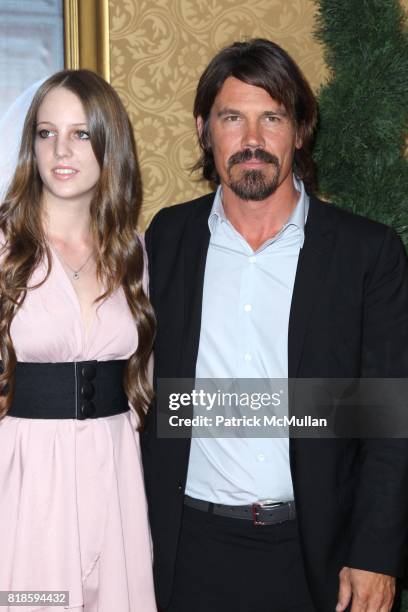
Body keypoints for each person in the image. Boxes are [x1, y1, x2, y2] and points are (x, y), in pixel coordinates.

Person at [142, 39, 408, 612]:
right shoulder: (166, 241)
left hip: (316, 559)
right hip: (187, 550)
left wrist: (377, 553)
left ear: (301, 130)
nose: (253, 140)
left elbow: (390, 418)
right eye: (232, 118)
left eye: (273, 118)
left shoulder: (368, 254)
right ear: (203, 129)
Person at [0, 69, 157, 612]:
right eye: (47, 133)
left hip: (114, 473)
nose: (61, 149)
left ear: (109, 143)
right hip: (25, 483)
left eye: (81, 133)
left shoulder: (134, 252)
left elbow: (147, 375)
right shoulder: (2, 248)